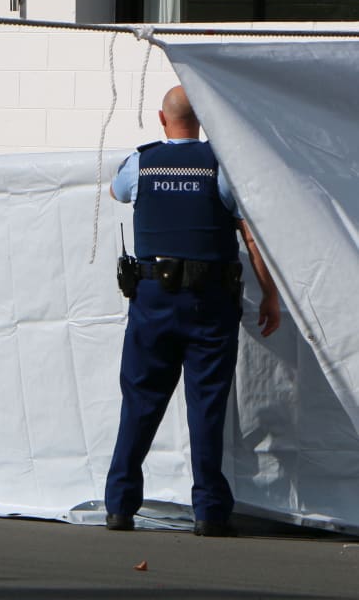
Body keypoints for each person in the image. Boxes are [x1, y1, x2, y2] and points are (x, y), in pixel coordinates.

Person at [104, 85, 281, 536]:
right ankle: (209, 513)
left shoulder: (141, 162)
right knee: (206, 406)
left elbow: (116, 193)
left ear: (161, 120)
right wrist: (269, 293)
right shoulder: (221, 166)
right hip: (210, 304)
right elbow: (251, 237)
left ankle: (120, 507)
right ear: (202, 120)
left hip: (152, 301)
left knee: (140, 402)